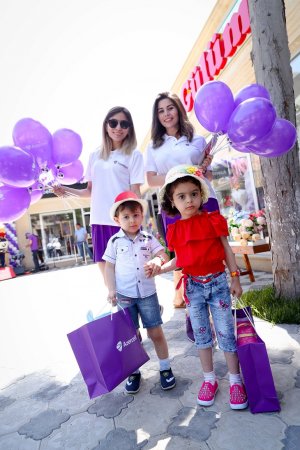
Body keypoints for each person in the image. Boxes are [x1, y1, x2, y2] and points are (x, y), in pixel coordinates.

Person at [157, 165, 248, 410]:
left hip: (218, 284)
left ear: (201, 194)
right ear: (172, 201)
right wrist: (161, 268)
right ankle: (209, 379)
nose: (189, 200)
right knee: (201, 335)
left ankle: (235, 380)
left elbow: (227, 250)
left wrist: (235, 277)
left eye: (193, 194)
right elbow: (179, 259)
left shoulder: (213, 220)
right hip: (193, 288)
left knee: (226, 333)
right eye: (182, 196)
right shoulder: (174, 229)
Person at [145, 92, 218, 309]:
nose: (166, 114)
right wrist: (181, 175)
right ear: (156, 117)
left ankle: (216, 296)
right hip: (173, 203)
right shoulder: (153, 146)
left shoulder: (197, 139)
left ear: (178, 109)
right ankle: (186, 298)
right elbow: (151, 179)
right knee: (183, 251)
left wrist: (204, 167)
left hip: (205, 199)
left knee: (210, 250)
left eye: (170, 108)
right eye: (161, 110)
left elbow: (209, 175)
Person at [53, 106, 144, 280]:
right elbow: (89, 191)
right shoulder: (95, 155)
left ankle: (142, 306)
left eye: (124, 124)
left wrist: (136, 221)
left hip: (124, 222)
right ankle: (123, 307)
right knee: (109, 279)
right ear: (106, 125)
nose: (118, 127)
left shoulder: (134, 155)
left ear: (129, 128)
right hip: (99, 221)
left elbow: (135, 193)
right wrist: (65, 191)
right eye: (113, 122)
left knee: (132, 275)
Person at [103, 191, 176, 394]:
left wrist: (157, 260)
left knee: (155, 332)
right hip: (124, 297)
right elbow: (109, 267)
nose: (132, 220)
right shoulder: (114, 242)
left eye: (136, 215)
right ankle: (133, 371)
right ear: (117, 220)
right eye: (126, 217)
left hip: (147, 295)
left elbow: (164, 253)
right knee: (131, 336)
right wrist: (111, 289)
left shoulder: (148, 238)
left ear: (141, 215)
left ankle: (165, 368)